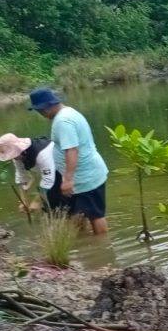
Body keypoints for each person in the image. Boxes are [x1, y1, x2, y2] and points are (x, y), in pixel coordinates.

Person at [27, 88, 109, 234]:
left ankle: (103, 246)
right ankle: (86, 246)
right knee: (78, 213)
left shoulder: (63, 121)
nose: (41, 114)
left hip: (86, 176)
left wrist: (68, 179)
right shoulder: (68, 112)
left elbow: (72, 150)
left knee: (96, 215)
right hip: (81, 175)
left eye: (40, 110)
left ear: (46, 107)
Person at [0, 133, 56, 211]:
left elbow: (48, 179)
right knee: (47, 207)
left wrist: (37, 201)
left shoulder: (42, 154)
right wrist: (24, 201)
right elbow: (20, 175)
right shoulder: (17, 157)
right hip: (50, 174)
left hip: (62, 170)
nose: (13, 159)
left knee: (58, 202)